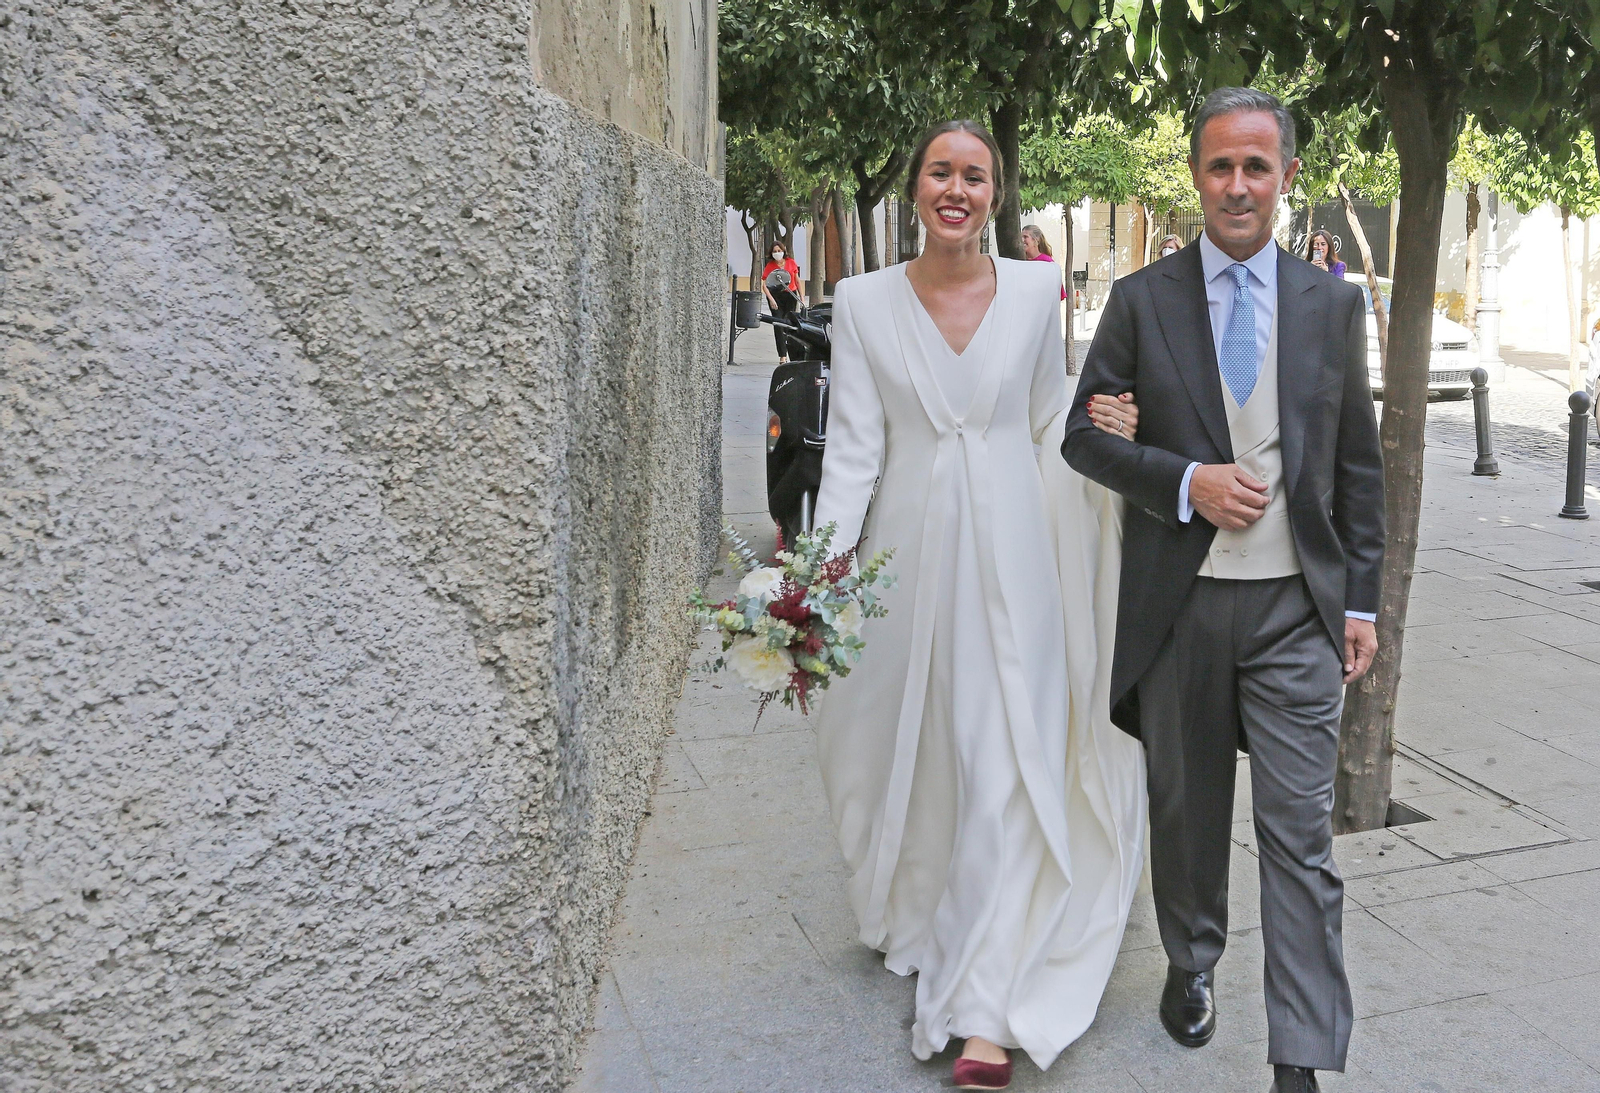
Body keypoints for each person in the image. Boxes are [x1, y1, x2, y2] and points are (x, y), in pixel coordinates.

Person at [813, 120, 1147, 1091]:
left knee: (1007, 759)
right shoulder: (864, 302)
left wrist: (1102, 425)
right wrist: (816, 585)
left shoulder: (1037, 291)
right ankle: (922, 911)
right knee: (916, 759)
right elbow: (853, 453)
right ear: (916, 188)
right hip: (908, 563)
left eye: (974, 175)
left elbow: (1051, 415)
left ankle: (984, 1012)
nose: (955, 188)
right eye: (939, 172)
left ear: (995, 192)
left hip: (1021, 555)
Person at [1062, 87, 1384, 1093]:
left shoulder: (1332, 305)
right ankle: (1191, 962)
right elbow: (1083, 436)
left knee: (1300, 841)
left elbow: (1358, 469)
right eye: (1218, 166)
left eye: (1256, 166)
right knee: (1188, 818)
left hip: (1296, 610)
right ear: (1195, 176)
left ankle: (1298, 1056)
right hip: (1181, 609)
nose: (1237, 185)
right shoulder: (1140, 300)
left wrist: (1361, 602)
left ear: (1286, 176)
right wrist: (1185, 481)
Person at [761, 240, 804, 362]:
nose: (777, 253)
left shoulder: (791, 263)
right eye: (775, 251)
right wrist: (771, 299)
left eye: (779, 251)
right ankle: (782, 355)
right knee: (778, 324)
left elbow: (797, 280)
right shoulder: (770, 266)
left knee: (788, 323)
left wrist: (801, 297)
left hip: (790, 295)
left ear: (783, 251)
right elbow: (764, 284)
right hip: (776, 297)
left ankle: (792, 352)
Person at [1022, 223, 1067, 300]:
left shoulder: (1047, 262)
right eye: (1021, 237)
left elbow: (1058, 293)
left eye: (1025, 237)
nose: (1022, 240)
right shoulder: (1021, 262)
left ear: (1036, 239)